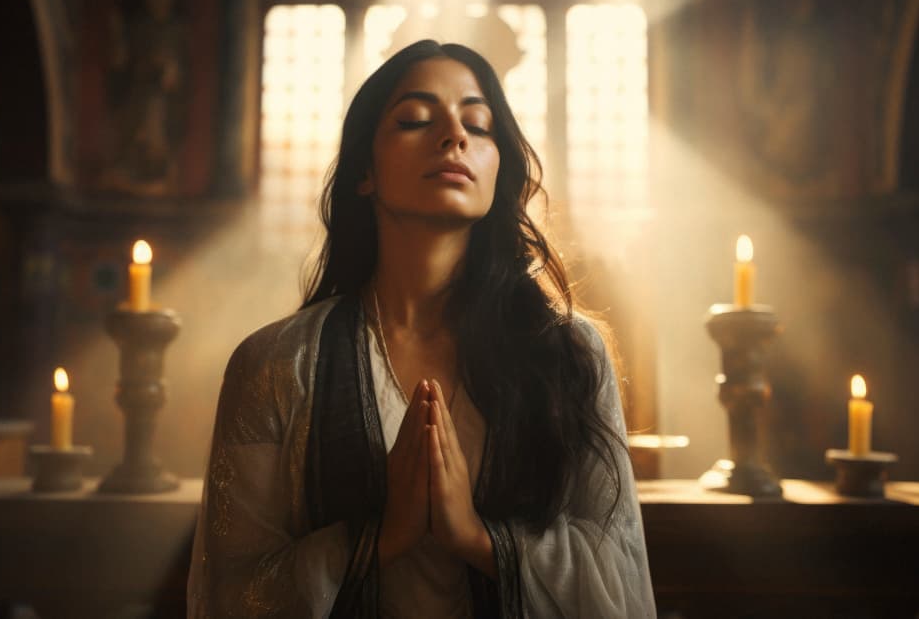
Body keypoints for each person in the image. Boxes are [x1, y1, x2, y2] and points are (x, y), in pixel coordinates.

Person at [188, 40, 655, 618]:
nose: (455, 136)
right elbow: (233, 595)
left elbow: (621, 576)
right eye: (414, 119)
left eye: (478, 126)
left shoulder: (568, 353)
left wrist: (477, 539)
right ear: (364, 171)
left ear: (498, 168)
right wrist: (379, 539)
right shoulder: (276, 364)